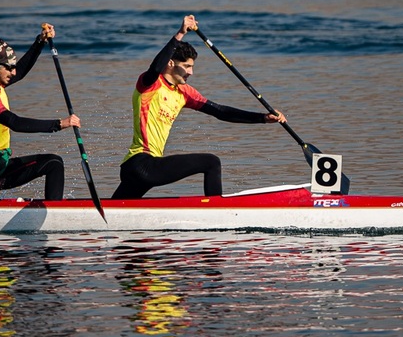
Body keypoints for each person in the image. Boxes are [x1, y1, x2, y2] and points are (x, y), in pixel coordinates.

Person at [111, 15, 287, 199]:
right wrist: (180, 33)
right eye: (186, 66)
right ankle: (217, 211)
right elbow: (155, 68)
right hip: (141, 164)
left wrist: (262, 118)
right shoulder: (150, 85)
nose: (191, 72)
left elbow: (220, 111)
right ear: (170, 63)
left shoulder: (184, 93)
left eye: (192, 67)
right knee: (211, 162)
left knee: (113, 211)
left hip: (137, 169)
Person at [0, 23, 80, 201]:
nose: (13, 72)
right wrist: (59, 124)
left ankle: (53, 213)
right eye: (9, 68)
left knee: (53, 163)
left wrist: (40, 42)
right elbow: (15, 123)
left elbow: (21, 71)